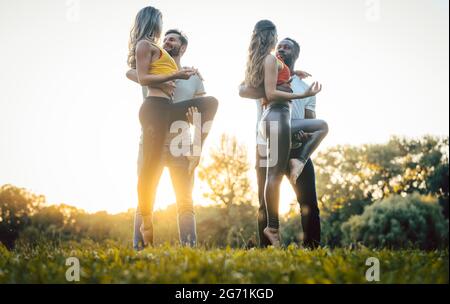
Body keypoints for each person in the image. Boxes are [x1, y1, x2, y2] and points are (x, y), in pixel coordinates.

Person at [127, 6, 218, 247]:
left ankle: (189, 248)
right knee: (146, 194)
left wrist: (196, 141)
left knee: (185, 200)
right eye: (165, 37)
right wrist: (170, 76)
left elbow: (202, 112)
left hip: (181, 143)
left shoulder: (195, 77)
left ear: (183, 47)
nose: (167, 41)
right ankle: (140, 248)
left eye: (173, 39)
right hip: (152, 135)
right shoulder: (152, 63)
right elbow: (133, 72)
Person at [241, 20, 327, 247]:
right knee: (263, 202)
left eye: (287, 47)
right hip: (266, 144)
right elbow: (242, 89)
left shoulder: (305, 87)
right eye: (279, 45)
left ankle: (313, 247)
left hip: (297, 147)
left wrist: (303, 139)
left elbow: (310, 121)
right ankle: (266, 248)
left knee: (308, 202)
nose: (281, 48)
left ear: (295, 54)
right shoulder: (264, 71)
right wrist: (273, 88)